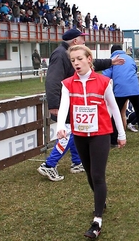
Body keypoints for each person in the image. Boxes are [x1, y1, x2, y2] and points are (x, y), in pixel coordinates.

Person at [57, 45, 126, 239]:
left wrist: (121, 134)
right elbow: (64, 107)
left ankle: (97, 221)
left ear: (89, 59)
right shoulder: (68, 84)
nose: (76, 63)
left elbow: (114, 108)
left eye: (79, 59)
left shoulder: (104, 82)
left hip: (101, 134)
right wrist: (60, 125)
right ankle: (100, 198)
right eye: (73, 60)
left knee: (97, 174)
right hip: (80, 135)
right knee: (89, 172)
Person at [37, 28, 125, 182]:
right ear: (75, 41)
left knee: (77, 131)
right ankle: (49, 165)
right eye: (82, 38)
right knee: (70, 133)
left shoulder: (72, 55)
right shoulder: (60, 55)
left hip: (76, 103)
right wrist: (54, 104)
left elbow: (91, 63)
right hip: (66, 102)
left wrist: (111, 62)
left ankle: (77, 162)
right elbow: (52, 80)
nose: (85, 41)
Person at [102, 45, 139, 146]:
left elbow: (105, 76)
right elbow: (134, 69)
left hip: (120, 90)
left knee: (116, 114)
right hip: (134, 89)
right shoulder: (130, 58)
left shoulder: (112, 60)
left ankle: (113, 140)